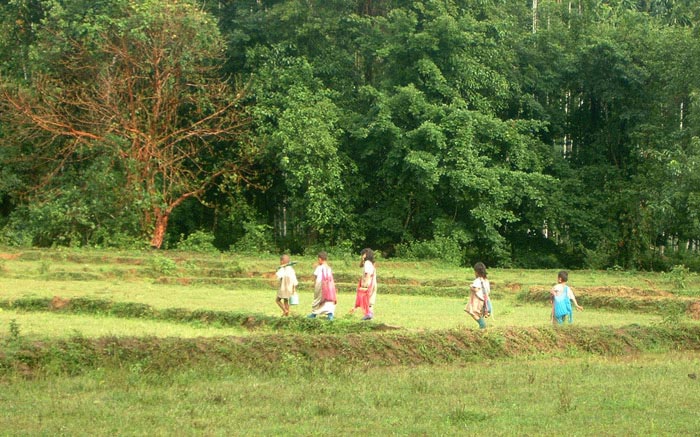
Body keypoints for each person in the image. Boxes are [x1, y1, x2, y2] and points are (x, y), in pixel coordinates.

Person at [349, 248, 377, 320]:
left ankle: (368, 315)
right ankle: (369, 317)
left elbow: (367, 274)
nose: (361, 256)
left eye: (362, 254)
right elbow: (361, 265)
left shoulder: (367, 263)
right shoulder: (370, 263)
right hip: (373, 283)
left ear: (365, 254)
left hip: (369, 283)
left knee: (367, 300)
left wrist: (365, 284)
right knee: (370, 301)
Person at [308, 251, 337, 320]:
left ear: (320, 259)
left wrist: (314, 284)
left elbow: (315, 277)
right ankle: (330, 314)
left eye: (318, 259)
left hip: (321, 285)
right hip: (329, 286)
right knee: (328, 300)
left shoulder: (319, 267)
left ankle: (314, 313)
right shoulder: (329, 268)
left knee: (318, 299)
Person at [465, 262, 490, 329]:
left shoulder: (477, 280)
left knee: (473, 312)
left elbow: (476, 289)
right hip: (483, 300)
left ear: (476, 272)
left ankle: (482, 325)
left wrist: (471, 286)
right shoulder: (486, 280)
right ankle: (482, 326)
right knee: (478, 313)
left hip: (477, 300)